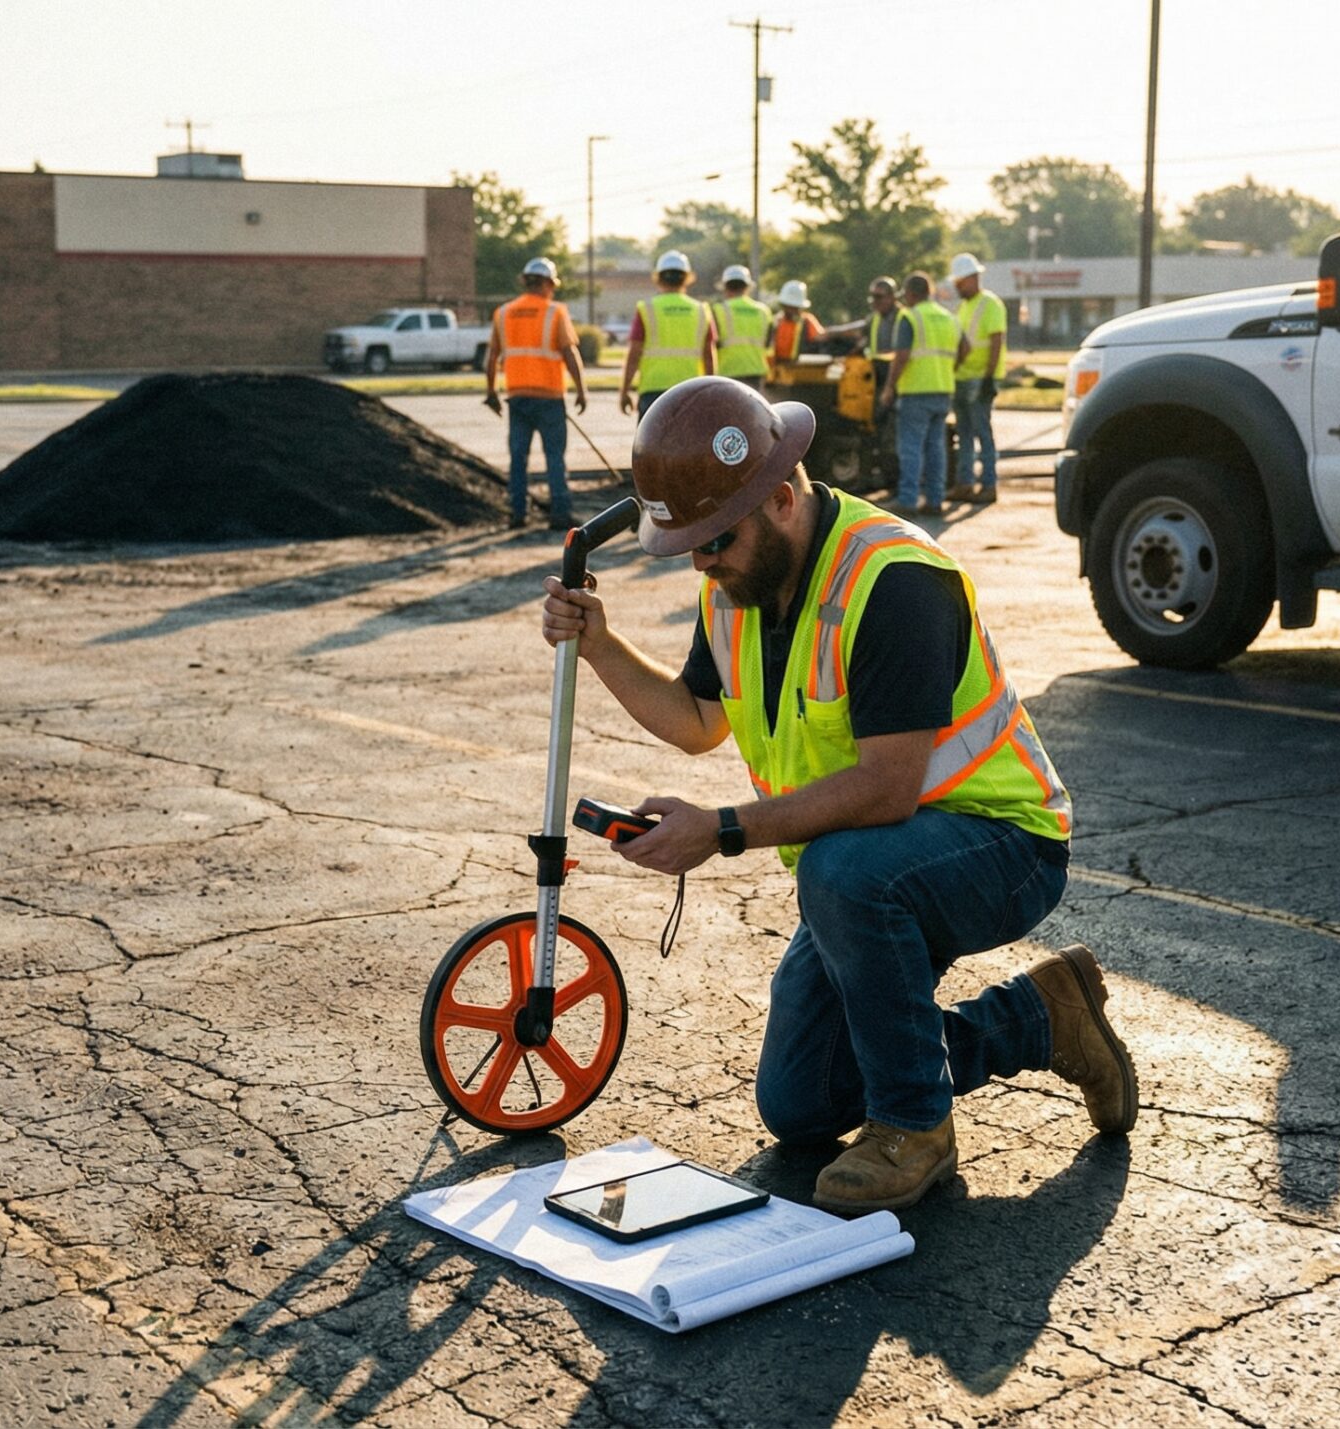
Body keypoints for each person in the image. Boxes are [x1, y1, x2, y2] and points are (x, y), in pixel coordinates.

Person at [538, 377, 1138, 1215]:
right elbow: (697, 719)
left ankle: (914, 1126)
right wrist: (600, 644)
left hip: (1003, 847)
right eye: (693, 547)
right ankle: (1042, 1018)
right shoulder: (736, 590)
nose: (704, 564)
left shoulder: (894, 578)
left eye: (717, 541)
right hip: (870, 862)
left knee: (843, 872)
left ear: (781, 496)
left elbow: (888, 789)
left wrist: (721, 828)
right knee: (803, 1103)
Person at [484, 256, 589, 530]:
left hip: (517, 396)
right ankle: (560, 513)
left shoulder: (503, 313)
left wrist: (491, 392)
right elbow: (569, 353)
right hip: (550, 397)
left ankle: (517, 514)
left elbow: (493, 356)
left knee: (518, 457)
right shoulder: (555, 312)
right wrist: (581, 389)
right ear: (547, 284)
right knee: (554, 456)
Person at [874, 272, 959, 515]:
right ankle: (935, 500)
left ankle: (908, 500)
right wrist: (946, 370)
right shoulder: (948, 317)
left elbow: (901, 357)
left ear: (911, 294)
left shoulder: (910, 317)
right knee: (936, 449)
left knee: (911, 448)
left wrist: (889, 387)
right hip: (943, 391)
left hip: (915, 393)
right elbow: (964, 348)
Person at [619, 251, 718, 418]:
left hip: (653, 390)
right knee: (689, 443)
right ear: (686, 278)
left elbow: (634, 354)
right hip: (691, 389)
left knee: (651, 442)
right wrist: (712, 392)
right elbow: (708, 355)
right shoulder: (701, 310)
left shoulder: (647, 308)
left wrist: (625, 390)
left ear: (658, 278)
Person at [948, 253, 1008, 504]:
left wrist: (988, 377)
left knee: (982, 433)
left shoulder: (990, 304)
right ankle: (965, 484)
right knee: (964, 434)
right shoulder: (963, 307)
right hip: (962, 378)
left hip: (980, 379)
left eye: (960, 283)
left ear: (972, 278)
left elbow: (996, 341)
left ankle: (989, 485)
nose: (957, 287)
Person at [711, 265, 773, 392]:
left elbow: (712, 344)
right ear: (747, 287)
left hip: (727, 373)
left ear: (726, 287)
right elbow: (768, 344)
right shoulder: (763, 311)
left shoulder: (718, 310)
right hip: (755, 373)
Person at [770, 280, 825, 364]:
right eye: (789, 306)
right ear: (783, 305)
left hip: (802, 369)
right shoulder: (775, 322)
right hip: (778, 369)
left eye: (795, 307)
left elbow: (820, 337)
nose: (792, 310)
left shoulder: (807, 321)